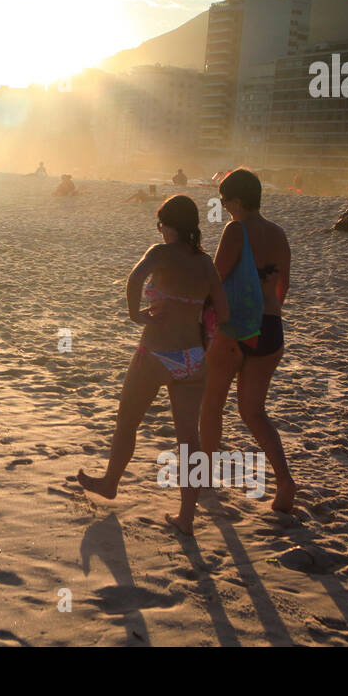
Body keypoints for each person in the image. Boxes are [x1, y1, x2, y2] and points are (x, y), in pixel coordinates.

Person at [76, 195, 228, 537]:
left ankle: (111, 482)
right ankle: (186, 517)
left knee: (128, 419)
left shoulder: (160, 254)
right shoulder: (205, 263)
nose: (159, 231)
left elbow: (133, 279)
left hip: (156, 352)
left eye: (160, 225)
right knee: (189, 440)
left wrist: (135, 314)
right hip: (193, 359)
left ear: (168, 226)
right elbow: (224, 311)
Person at [198, 168, 297, 514]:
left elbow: (216, 277)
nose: (224, 208)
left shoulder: (235, 230)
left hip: (235, 329)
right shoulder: (279, 233)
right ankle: (284, 481)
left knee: (211, 404)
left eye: (225, 202)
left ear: (237, 201)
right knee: (253, 412)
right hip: (270, 327)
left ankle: (204, 477)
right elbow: (283, 286)